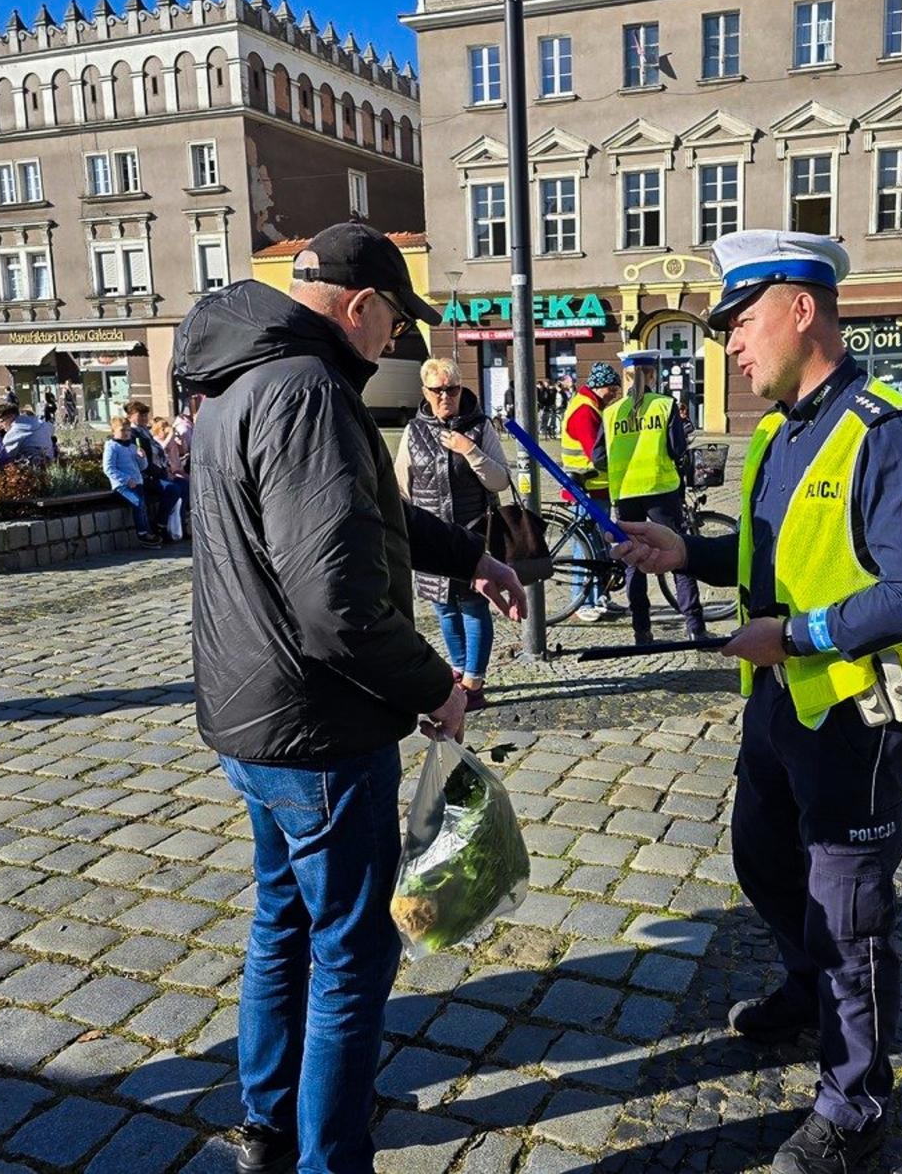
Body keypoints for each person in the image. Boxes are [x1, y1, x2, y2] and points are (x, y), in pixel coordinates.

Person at [174, 222, 526, 1174]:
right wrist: (438, 689)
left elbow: (364, 505)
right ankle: (332, 1156)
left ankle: (270, 1118)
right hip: (318, 727)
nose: (398, 345)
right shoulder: (310, 390)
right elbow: (336, 608)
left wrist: (469, 552)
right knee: (353, 956)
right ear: (359, 305)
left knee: (282, 920)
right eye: (393, 324)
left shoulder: (242, 379)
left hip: (251, 718)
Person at [611, 230, 902, 1174]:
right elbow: (769, 558)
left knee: (851, 918)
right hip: (780, 703)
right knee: (761, 857)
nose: (729, 343)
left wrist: (797, 637)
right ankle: (805, 989)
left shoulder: (888, 432)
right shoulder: (777, 431)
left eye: (742, 321)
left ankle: (855, 1107)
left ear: (802, 311)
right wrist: (687, 552)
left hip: (855, 715)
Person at [395, 358, 512, 709]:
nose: (446, 396)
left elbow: (500, 480)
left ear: (461, 388)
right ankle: (459, 671)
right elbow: (402, 484)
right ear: (425, 393)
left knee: (474, 608)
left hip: (473, 536)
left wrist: (470, 451)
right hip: (431, 540)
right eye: (438, 390)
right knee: (444, 608)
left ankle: (474, 683)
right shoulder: (414, 431)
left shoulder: (479, 427)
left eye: (452, 388)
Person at [604, 350, 706, 644]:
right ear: (651, 375)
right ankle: (694, 626)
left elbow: (599, 455)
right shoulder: (664, 405)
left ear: (626, 376)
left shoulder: (611, 413)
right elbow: (677, 449)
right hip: (661, 491)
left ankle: (642, 631)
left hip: (625, 494)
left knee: (633, 561)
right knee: (679, 555)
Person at [560, 362, 620, 622]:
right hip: (586, 489)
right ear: (601, 386)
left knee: (598, 546)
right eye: (613, 389)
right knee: (584, 548)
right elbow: (596, 455)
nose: (615, 395)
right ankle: (582, 602)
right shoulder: (585, 411)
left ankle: (599, 597)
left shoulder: (592, 406)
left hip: (595, 489)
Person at [125, 400, 187, 541]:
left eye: (146, 415)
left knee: (184, 486)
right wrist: (161, 473)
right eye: (141, 415)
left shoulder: (145, 431)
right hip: (147, 476)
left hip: (160, 471)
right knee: (172, 489)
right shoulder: (133, 433)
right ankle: (160, 525)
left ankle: (180, 526)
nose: (145, 418)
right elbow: (142, 460)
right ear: (131, 416)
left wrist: (167, 470)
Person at [101, 415, 163, 547]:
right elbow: (109, 468)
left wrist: (142, 457)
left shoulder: (132, 446)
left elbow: (142, 467)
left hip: (137, 482)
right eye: (122, 430)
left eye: (128, 430)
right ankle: (142, 534)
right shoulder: (112, 446)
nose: (126, 433)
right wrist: (126, 479)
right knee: (138, 502)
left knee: (143, 505)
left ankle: (149, 531)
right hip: (122, 485)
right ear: (114, 431)